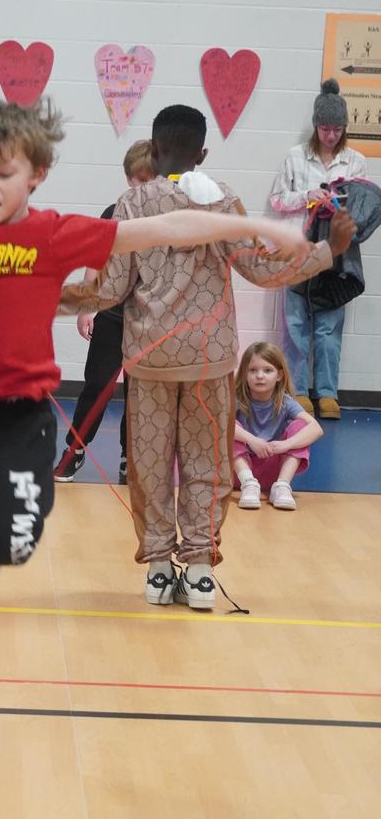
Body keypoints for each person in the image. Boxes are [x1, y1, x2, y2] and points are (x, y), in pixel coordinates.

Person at [0, 95, 310, 579]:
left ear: (36, 174)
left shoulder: (53, 233)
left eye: (4, 174)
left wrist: (267, 230)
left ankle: (26, 500)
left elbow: (167, 227)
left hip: (23, 408)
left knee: (14, 532)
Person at [61, 104, 355, 609]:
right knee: (207, 465)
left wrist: (45, 297)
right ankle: (198, 572)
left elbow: (108, 288)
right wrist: (327, 250)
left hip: (150, 362)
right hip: (208, 362)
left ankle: (158, 571)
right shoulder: (222, 200)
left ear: (153, 151)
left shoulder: (131, 204)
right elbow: (263, 270)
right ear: (202, 153)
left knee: (151, 466)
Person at [54, 139, 154, 485]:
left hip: (149, 321)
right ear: (129, 179)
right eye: (138, 180)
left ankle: (131, 457)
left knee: (140, 392)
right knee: (97, 385)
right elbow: (95, 261)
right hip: (111, 316)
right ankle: (75, 449)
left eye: (150, 180)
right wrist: (86, 307)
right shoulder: (113, 213)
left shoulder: (166, 220)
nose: (143, 187)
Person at [270, 79, 365, 419]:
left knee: (329, 326)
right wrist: (307, 197)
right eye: (325, 128)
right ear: (315, 126)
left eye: (337, 129)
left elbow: (361, 207)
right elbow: (277, 200)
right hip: (298, 251)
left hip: (335, 254)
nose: (331, 135)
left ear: (345, 128)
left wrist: (340, 203)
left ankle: (327, 393)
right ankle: (297, 391)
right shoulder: (295, 157)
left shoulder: (355, 161)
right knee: (295, 323)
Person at [232, 341, 322, 512]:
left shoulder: (286, 402)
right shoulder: (237, 400)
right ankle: (248, 484)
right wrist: (251, 440)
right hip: (239, 473)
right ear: (244, 373)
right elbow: (220, 425)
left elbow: (316, 429)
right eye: (253, 370)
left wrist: (285, 444)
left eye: (267, 370)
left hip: (273, 472)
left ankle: (282, 486)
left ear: (279, 375)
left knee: (301, 426)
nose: (260, 376)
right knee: (228, 426)